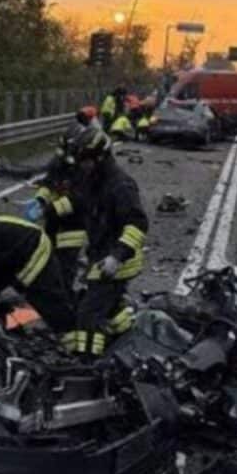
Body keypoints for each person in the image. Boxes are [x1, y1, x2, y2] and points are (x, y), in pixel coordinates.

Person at [59, 127, 148, 356]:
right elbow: (82, 204)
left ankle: (89, 362)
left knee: (87, 315)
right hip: (99, 255)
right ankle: (126, 326)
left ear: (100, 158)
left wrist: (116, 257)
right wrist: (50, 209)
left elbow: (137, 224)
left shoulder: (120, 186)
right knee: (103, 308)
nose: (81, 166)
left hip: (117, 261)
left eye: (85, 161)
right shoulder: (94, 180)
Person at [25, 123, 89, 289]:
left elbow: (79, 199)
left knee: (66, 265)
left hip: (73, 225)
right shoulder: (60, 162)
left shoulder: (87, 168)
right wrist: (40, 199)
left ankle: (64, 296)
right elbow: (49, 183)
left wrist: (48, 209)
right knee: (47, 258)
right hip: (54, 221)